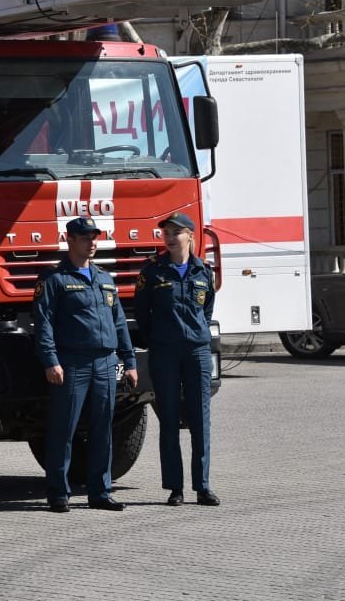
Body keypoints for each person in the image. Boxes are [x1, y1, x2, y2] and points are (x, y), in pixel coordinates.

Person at [33, 215, 138, 513]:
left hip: (105, 362)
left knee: (103, 428)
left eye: (94, 238)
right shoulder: (54, 279)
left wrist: (129, 360)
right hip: (72, 363)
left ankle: (100, 492)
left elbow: (119, 322)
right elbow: (44, 325)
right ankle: (58, 492)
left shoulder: (104, 279)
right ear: (69, 240)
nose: (91, 243)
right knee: (63, 429)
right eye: (84, 238)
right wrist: (51, 361)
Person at [133, 212, 220, 507]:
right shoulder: (152, 271)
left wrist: (194, 333)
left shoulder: (203, 271)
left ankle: (203, 486)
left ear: (190, 236)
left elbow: (206, 310)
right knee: (169, 419)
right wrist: (159, 339)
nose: (169, 238)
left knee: (200, 419)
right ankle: (175, 488)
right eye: (166, 233)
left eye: (176, 232)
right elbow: (142, 312)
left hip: (196, 352)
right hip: (165, 352)